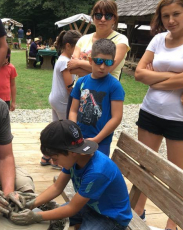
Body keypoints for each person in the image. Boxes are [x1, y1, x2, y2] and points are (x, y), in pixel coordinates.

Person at [133, 1, 183, 229]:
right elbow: (139, 74)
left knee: (177, 175)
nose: (171, 21)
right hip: (150, 111)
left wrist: (156, 77)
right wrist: (175, 76)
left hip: (181, 117)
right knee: (145, 166)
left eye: (176, 14)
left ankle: (172, 223)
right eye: (166, 15)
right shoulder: (159, 39)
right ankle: (138, 212)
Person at [10, 120, 132, 230]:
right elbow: (57, 187)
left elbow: (71, 209)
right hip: (89, 205)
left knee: (45, 218)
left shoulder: (96, 172)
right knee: (52, 219)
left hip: (111, 218)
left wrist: (36, 216)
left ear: (71, 152)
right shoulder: (75, 158)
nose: (53, 163)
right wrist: (32, 203)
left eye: (55, 158)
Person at [69, 39, 124, 157]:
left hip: (101, 142)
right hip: (78, 139)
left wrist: (96, 139)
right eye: (98, 61)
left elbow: (116, 117)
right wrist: (75, 133)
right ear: (90, 60)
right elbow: (73, 110)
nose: (102, 67)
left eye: (108, 62)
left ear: (113, 63)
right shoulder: (81, 82)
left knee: (95, 171)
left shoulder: (115, 86)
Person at [41, 30, 81, 168]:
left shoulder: (61, 59)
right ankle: (57, 161)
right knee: (64, 132)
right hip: (63, 101)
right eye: (77, 46)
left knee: (55, 130)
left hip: (55, 99)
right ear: (69, 45)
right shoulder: (65, 62)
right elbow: (69, 86)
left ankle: (46, 156)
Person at [67, 0, 130, 80]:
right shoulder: (83, 39)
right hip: (80, 90)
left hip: (104, 91)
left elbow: (108, 69)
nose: (103, 19)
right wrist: (98, 71)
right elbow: (72, 68)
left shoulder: (120, 40)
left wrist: (79, 63)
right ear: (93, 18)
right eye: (98, 15)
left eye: (108, 16)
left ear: (114, 19)